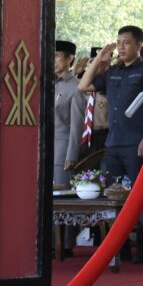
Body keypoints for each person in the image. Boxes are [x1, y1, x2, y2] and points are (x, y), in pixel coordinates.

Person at [77, 25, 143, 263]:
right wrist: (98, 60)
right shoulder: (112, 72)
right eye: (118, 42)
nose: (121, 47)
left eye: (126, 42)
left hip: (136, 143)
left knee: (140, 195)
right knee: (113, 196)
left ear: (139, 45)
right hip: (113, 143)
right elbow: (83, 86)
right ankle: (120, 247)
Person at [53, 41, 87, 188]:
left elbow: (77, 124)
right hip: (38, 151)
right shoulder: (44, 82)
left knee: (59, 193)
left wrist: (71, 155)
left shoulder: (76, 86)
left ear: (69, 58)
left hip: (61, 153)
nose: (52, 60)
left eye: (56, 56)